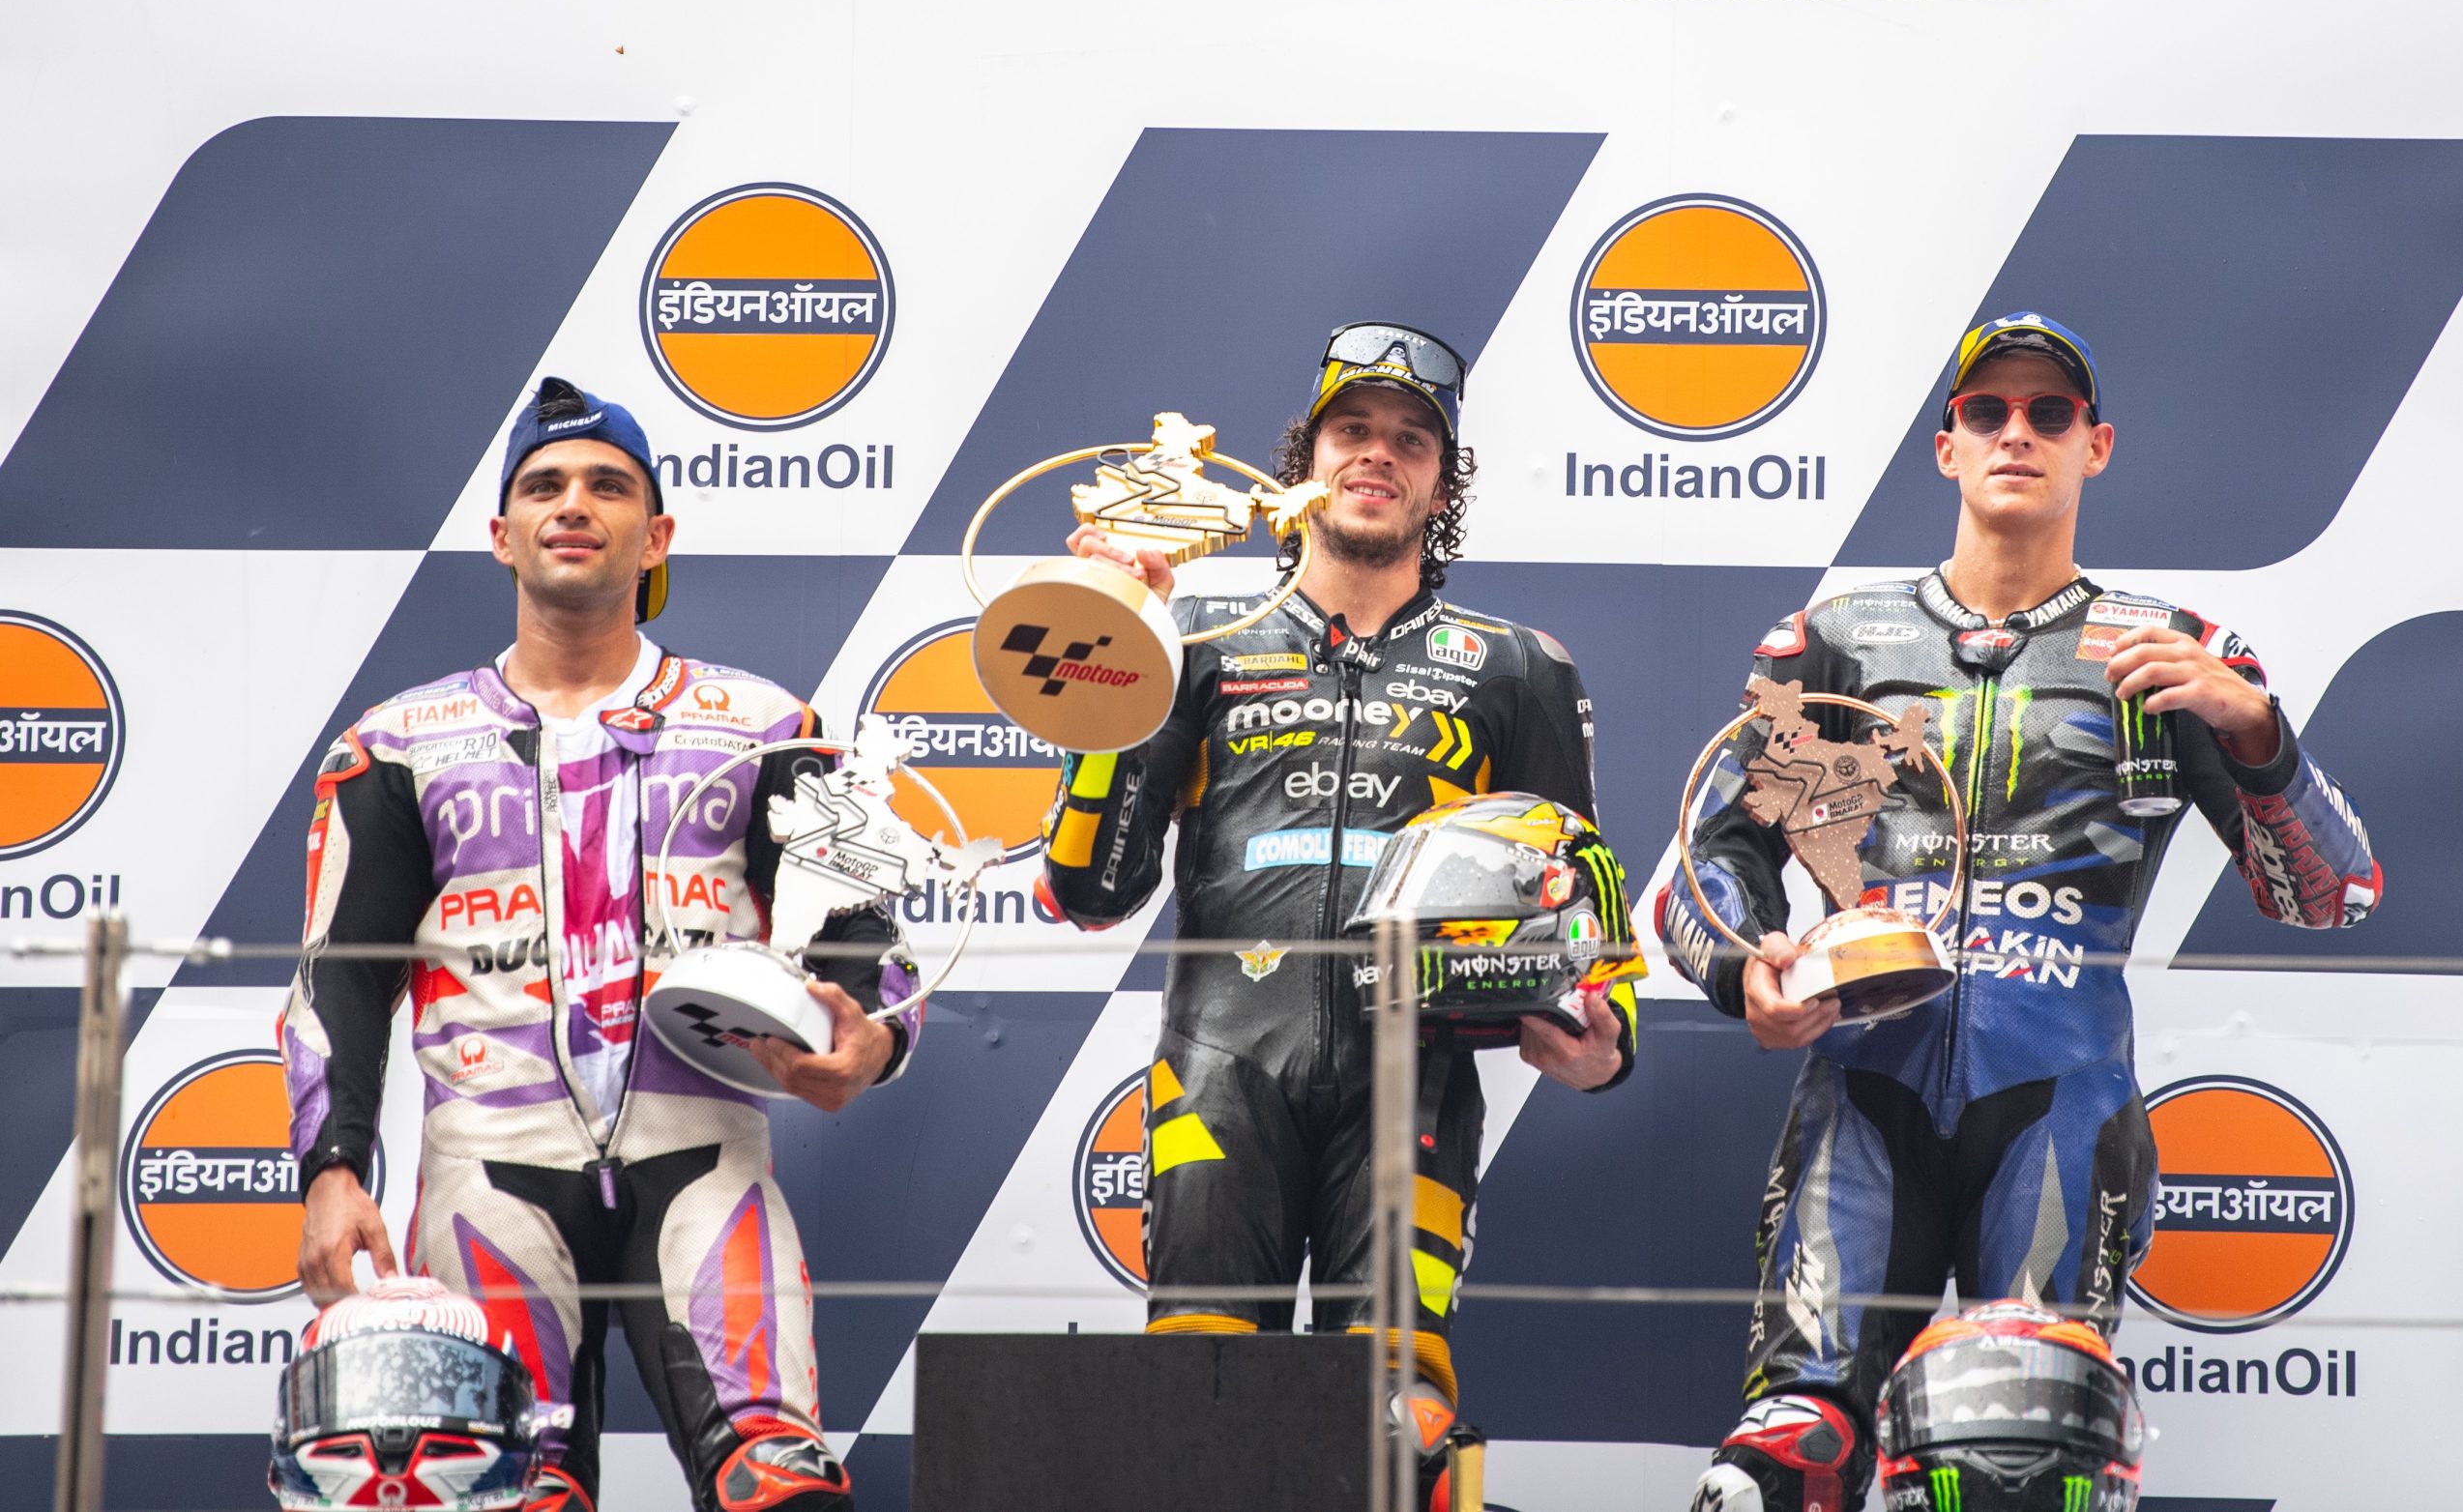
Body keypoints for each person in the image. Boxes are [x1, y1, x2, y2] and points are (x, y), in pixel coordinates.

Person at [1659, 314, 2383, 1512]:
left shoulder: (2172, 654)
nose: (2016, 433)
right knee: (1790, 1456)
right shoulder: (1836, 641)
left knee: (2028, 1462)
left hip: (2061, 1105)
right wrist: (1748, 975)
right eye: (1985, 412)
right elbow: (1703, 861)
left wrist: (2256, 730)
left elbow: (2332, 895)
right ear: (1946, 446)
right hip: (1861, 1097)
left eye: (2049, 413)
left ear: (2095, 446)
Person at [280, 377, 922, 1512]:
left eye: (607, 487)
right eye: (544, 487)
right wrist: (333, 1170)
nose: (573, 504)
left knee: (778, 1482)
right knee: (508, 1492)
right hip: (488, 1168)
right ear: (501, 534)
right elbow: (340, 982)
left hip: (707, 1156)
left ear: (655, 534)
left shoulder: (767, 725)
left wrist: (868, 1042)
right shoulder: (398, 743)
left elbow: (865, 943)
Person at [1037, 322, 1640, 1491]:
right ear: (1301, 465)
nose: (1377, 453)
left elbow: (1580, 906)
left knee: (1399, 1417)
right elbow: (1089, 890)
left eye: (1411, 440)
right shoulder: (1193, 645)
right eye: (1351, 429)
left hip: (1414, 1086)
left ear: (1441, 484)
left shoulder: (1517, 666)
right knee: (1199, 1401)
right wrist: (1111, 652)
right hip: (1218, 1071)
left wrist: (1602, 1037)